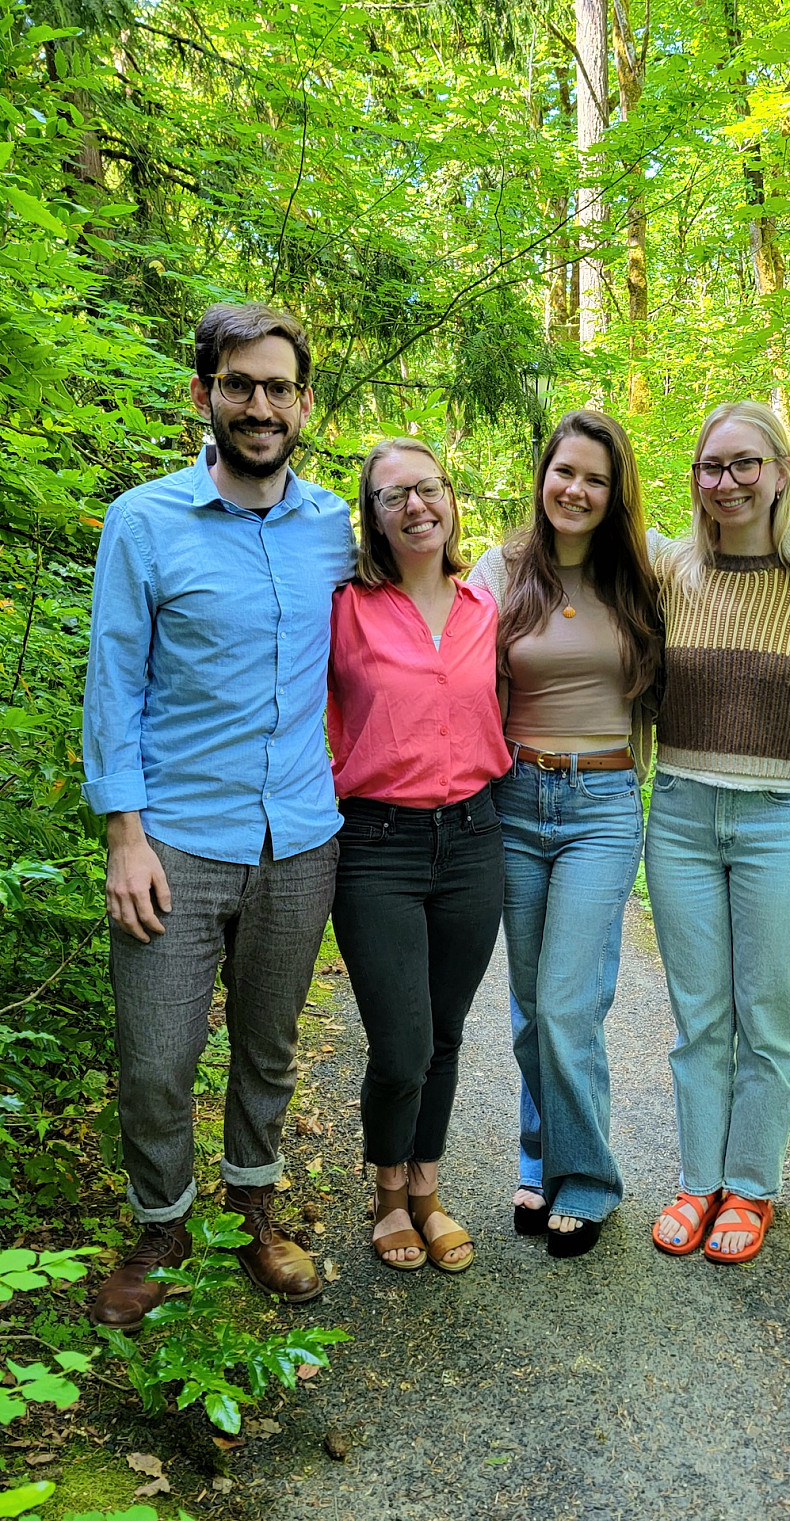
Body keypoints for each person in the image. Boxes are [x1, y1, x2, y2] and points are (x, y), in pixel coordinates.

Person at [83, 302, 355, 1329]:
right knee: (155, 1052)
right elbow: (114, 682)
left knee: (268, 1044)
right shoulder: (145, 522)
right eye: (239, 384)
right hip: (176, 841)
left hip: (299, 835)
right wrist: (123, 834)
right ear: (205, 395)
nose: (259, 405)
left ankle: (253, 1208)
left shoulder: (333, 525)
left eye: (278, 387)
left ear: (303, 404)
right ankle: (161, 1225)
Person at [646, 402, 790, 1265]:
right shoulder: (669, 574)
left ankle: (753, 1185)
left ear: (778, 469)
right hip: (682, 814)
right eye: (709, 467)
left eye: (743, 465)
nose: (724, 482)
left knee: (766, 1014)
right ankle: (699, 1181)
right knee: (700, 1016)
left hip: (778, 820)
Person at [469, 411, 663, 1258]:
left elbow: (759, 543)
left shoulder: (645, 575)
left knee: (568, 1001)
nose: (575, 490)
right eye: (564, 472)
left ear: (614, 493)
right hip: (514, 798)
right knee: (527, 1006)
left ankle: (587, 1179)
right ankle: (538, 1157)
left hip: (602, 805)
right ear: (542, 476)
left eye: (595, 478)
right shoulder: (501, 570)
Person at [327, 439, 509, 1273]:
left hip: (474, 839)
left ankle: (426, 1187)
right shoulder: (346, 605)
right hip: (376, 845)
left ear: (450, 498)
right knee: (399, 1043)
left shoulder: (484, 605)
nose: (416, 506)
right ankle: (386, 1191)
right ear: (373, 511)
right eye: (395, 494)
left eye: (429, 489)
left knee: (444, 1032)